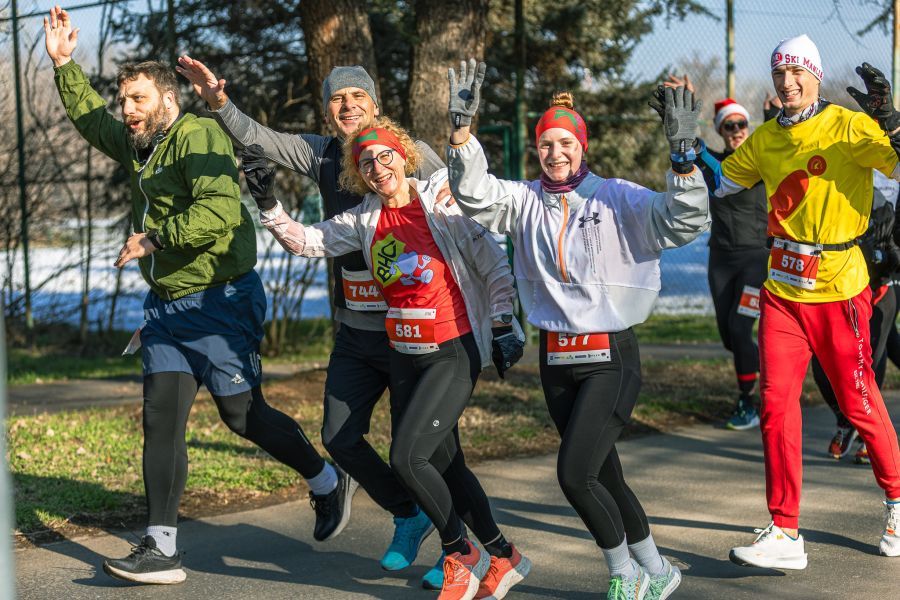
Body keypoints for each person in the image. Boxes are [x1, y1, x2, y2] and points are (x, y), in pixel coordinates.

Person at [43, 6, 353, 585]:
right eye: (124, 100)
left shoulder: (199, 134)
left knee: (243, 416)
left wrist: (154, 239)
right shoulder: (141, 143)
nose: (127, 111)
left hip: (221, 301)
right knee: (160, 418)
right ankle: (162, 548)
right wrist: (63, 63)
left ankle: (327, 480)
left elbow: (216, 213)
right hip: (168, 309)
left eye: (137, 99)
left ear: (166, 99)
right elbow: (91, 121)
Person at [176, 57, 448, 585]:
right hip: (356, 328)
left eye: (356, 97)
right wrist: (216, 101)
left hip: (416, 328)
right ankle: (408, 515)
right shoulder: (320, 152)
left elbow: (466, 213)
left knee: (428, 448)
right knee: (340, 437)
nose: (347, 106)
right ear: (328, 110)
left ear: (375, 103)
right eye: (337, 99)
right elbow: (256, 136)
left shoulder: (411, 156)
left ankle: (457, 549)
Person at [445, 59, 709, 600]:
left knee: (574, 475)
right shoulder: (523, 201)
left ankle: (623, 573)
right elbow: (473, 193)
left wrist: (684, 160)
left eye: (566, 143)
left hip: (611, 357)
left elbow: (682, 220)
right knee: (604, 474)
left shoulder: (615, 196)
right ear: (536, 149)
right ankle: (659, 571)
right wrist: (461, 135)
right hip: (556, 361)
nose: (556, 153)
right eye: (546, 144)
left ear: (582, 148)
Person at [249, 116, 530, 600]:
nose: (378, 168)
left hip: (450, 351)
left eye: (385, 156)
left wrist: (503, 321)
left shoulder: (442, 204)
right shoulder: (365, 218)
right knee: (450, 467)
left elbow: (493, 263)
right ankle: (503, 555)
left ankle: (459, 553)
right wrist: (267, 204)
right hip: (404, 355)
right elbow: (306, 242)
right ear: (359, 175)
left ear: (403, 156)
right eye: (366, 163)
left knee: (407, 457)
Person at [689, 34, 900, 568]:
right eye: (779, 72)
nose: (787, 82)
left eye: (797, 72)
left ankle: (898, 501)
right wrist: (685, 151)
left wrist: (892, 124)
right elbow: (722, 184)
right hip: (782, 290)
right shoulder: (763, 138)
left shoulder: (849, 126)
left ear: (814, 73)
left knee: (857, 402)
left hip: (839, 288)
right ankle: (785, 533)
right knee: (776, 407)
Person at [817, 171, 900, 463]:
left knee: (868, 367)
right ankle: (845, 420)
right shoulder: (836, 182)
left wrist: (890, 255)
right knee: (822, 369)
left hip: (878, 291)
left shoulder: (888, 191)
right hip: (834, 292)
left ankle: (869, 435)